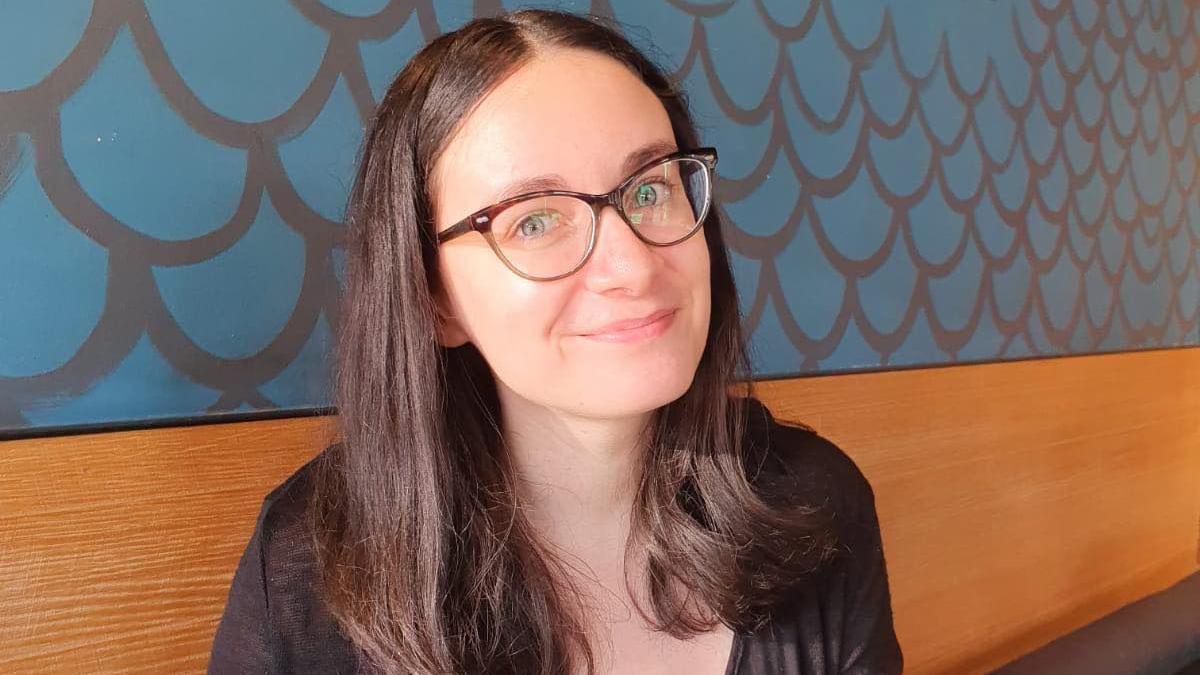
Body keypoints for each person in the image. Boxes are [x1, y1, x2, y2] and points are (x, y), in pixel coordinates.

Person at [208, 9, 902, 675]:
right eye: (535, 222)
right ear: (436, 300)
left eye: (651, 189)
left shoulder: (816, 504)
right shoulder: (311, 573)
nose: (632, 263)